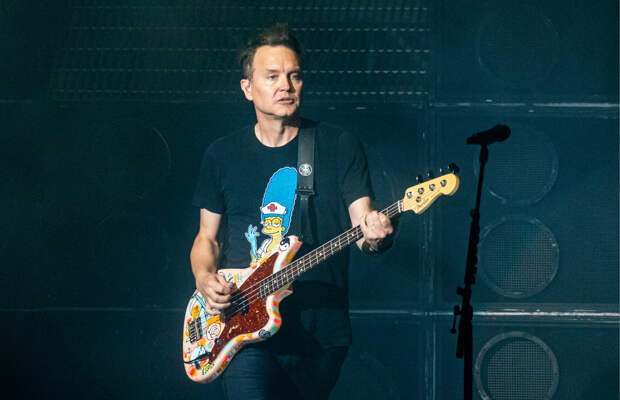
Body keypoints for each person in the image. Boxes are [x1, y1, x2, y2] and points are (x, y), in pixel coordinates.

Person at [190, 24, 394, 400]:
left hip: (319, 331)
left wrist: (376, 236)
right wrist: (204, 277)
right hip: (242, 324)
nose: (285, 85)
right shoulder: (222, 155)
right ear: (247, 87)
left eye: (294, 75)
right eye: (272, 76)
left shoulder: (339, 145)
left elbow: (363, 227)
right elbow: (207, 238)